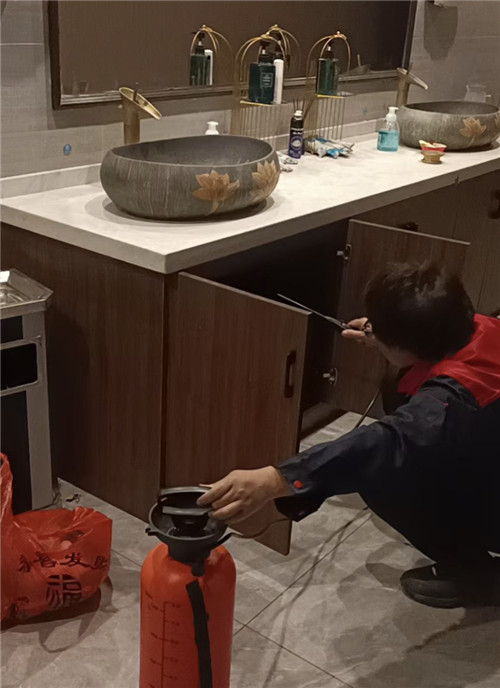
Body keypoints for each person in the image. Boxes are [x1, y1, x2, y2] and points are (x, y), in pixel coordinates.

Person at [198, 262, 500, 609]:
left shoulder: (448, 404)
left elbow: (384, 444)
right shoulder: (480, 327)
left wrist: (274, 479)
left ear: (409, 345)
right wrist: (386, 337)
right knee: (398, 390)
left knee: (383, 477)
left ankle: (480, 578)